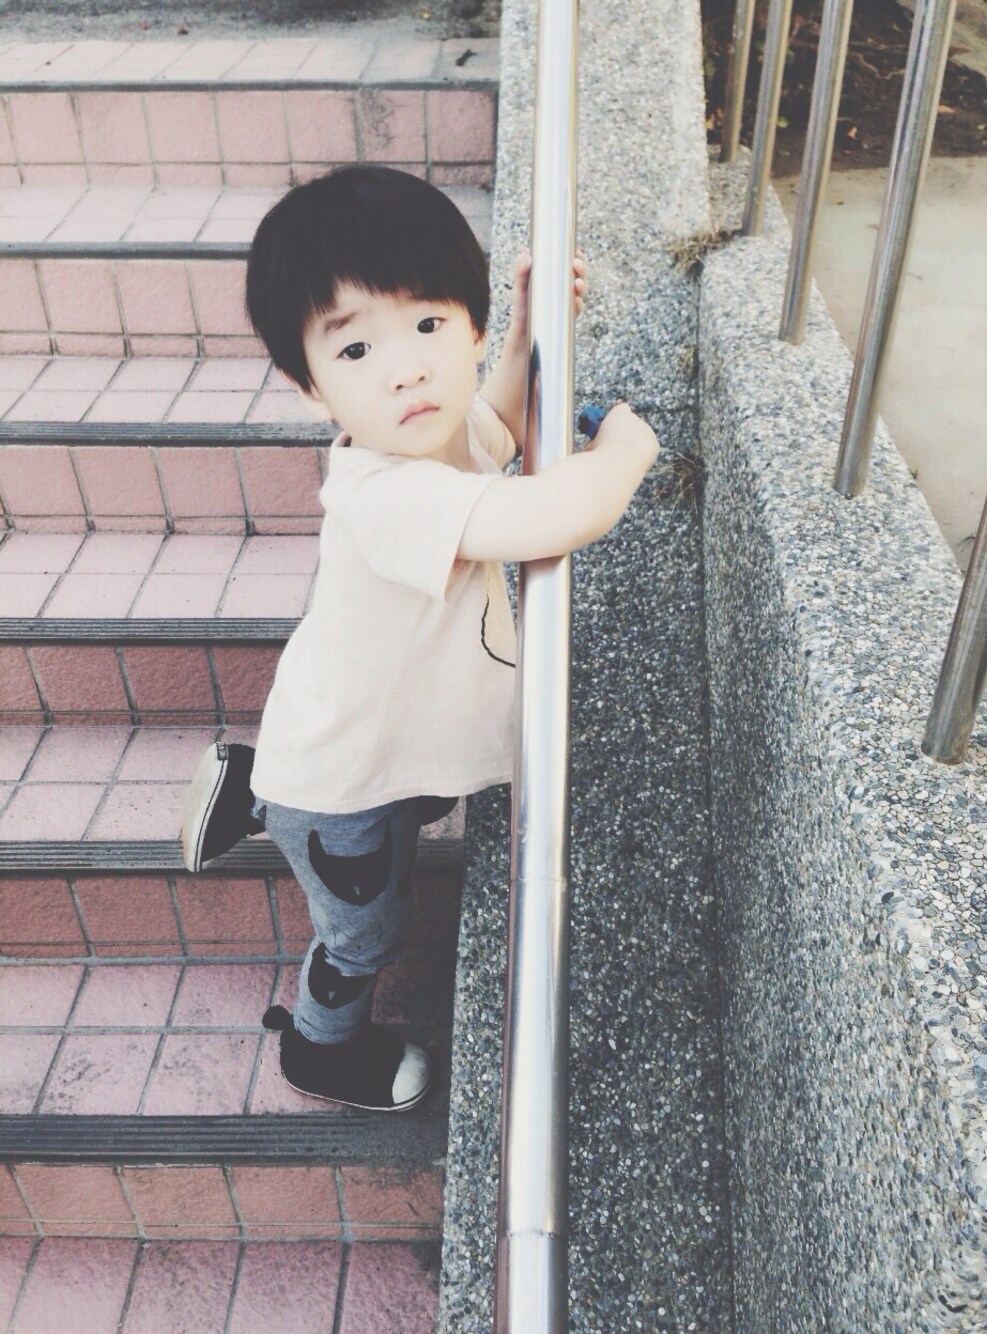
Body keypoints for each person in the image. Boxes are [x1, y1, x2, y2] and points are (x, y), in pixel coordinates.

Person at [179, 165, 659, 1112]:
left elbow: (500, 420)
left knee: (425, 795)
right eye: (357, 349)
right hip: (338, 784)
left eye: (431, 325)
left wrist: (526, 329)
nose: (406, 368)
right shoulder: (384, 492)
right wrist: (626, 453)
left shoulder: (437, 437)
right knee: (366, 933)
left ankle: (255, 791)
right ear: (309, 388)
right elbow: (555, 516)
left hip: (361, 727)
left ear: (469, 329)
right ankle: (320, 1050)